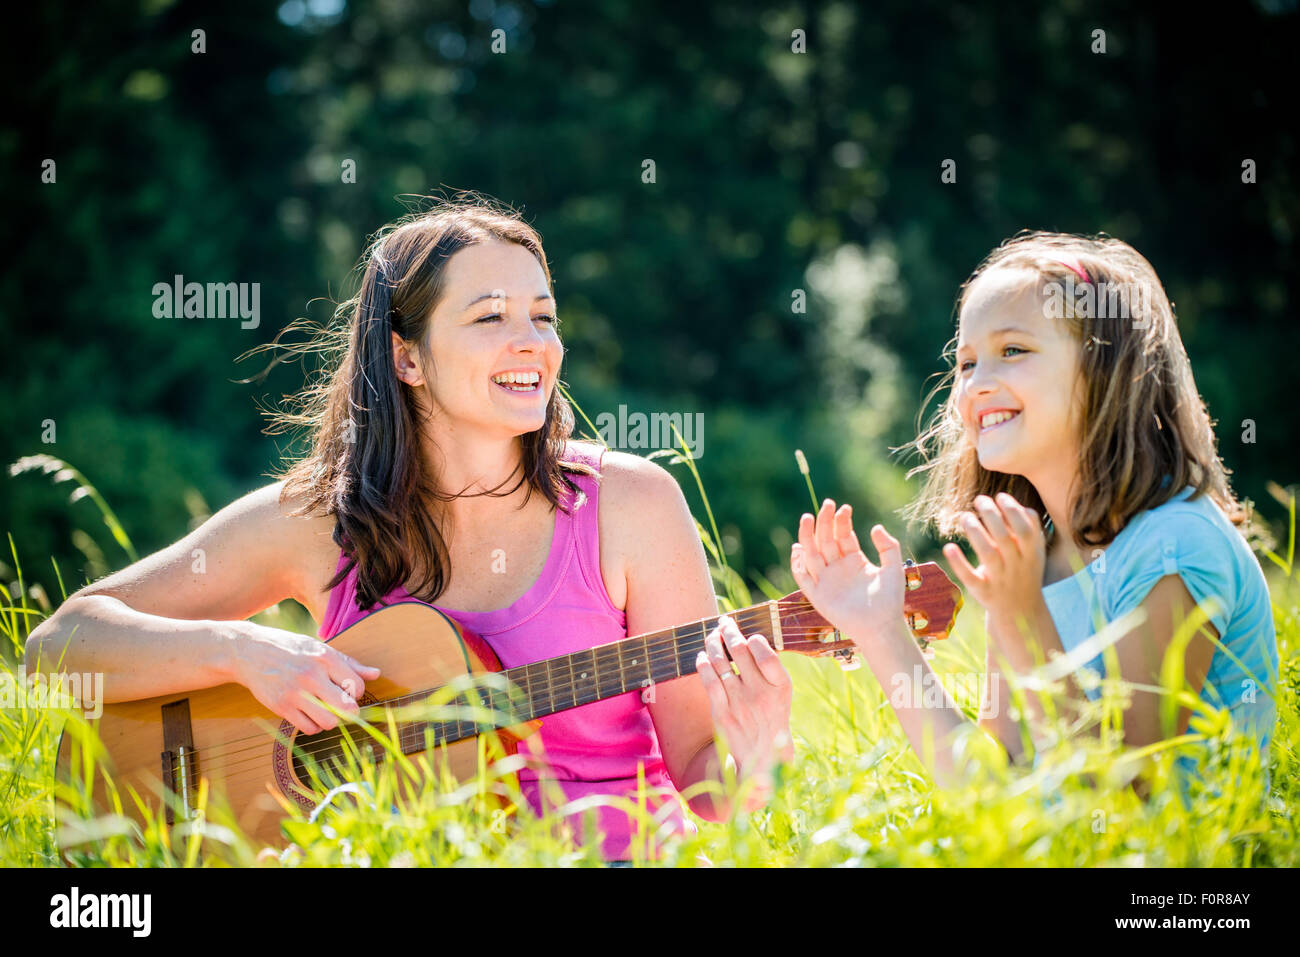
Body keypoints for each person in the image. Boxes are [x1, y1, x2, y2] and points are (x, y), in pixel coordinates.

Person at [25, 196, 793, 861]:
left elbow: (702, 774)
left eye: (544, 315)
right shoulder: (317, 519)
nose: (534, 340)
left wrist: (755, 755)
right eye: (490, 316)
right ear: (406, 357)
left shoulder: (630, 504)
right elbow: (55, 648)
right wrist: (240, 652)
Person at [790, 231, 1278, 795]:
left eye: (1012, 350)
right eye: (967, 363)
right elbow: (992, 788)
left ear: (1109, 371)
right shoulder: (1034, 562)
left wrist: (1024, 620)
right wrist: (881, 630)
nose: (975, 384)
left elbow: (1126, 795)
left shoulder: (1172, 545)